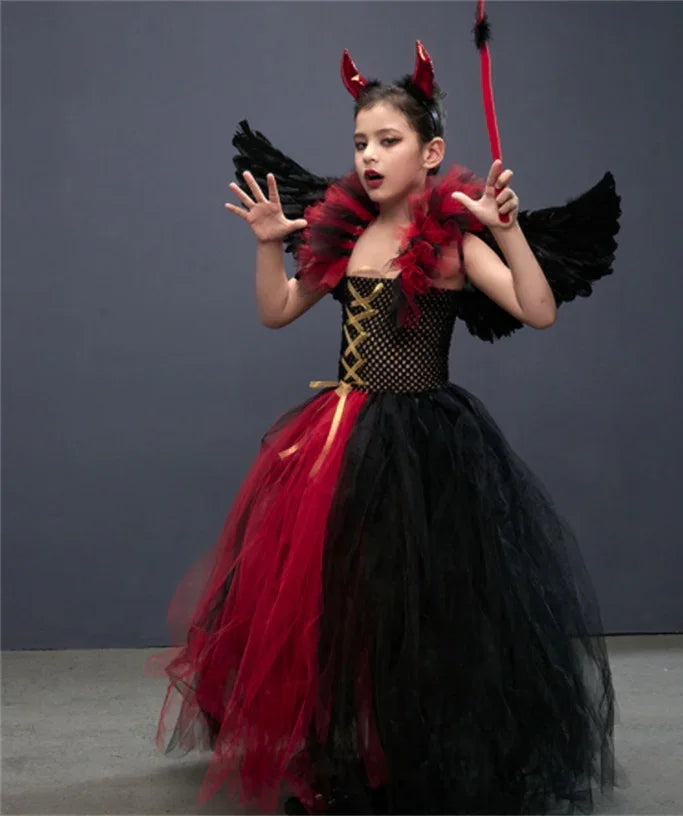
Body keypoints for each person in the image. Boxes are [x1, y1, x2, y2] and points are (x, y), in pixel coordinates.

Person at [151, 39, 622, 816]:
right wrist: (270, 248)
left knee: (422, 601)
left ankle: (413, 752)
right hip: (340, 439)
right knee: (343, 599)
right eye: (359, 142)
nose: (369, 155)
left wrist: (507, 230)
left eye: (388, 140)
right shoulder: (345, 236)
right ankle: (347, 753)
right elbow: (277, 311)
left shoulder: (457, 245)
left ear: (430, 152)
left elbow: (537, 310)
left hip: (427, 443)